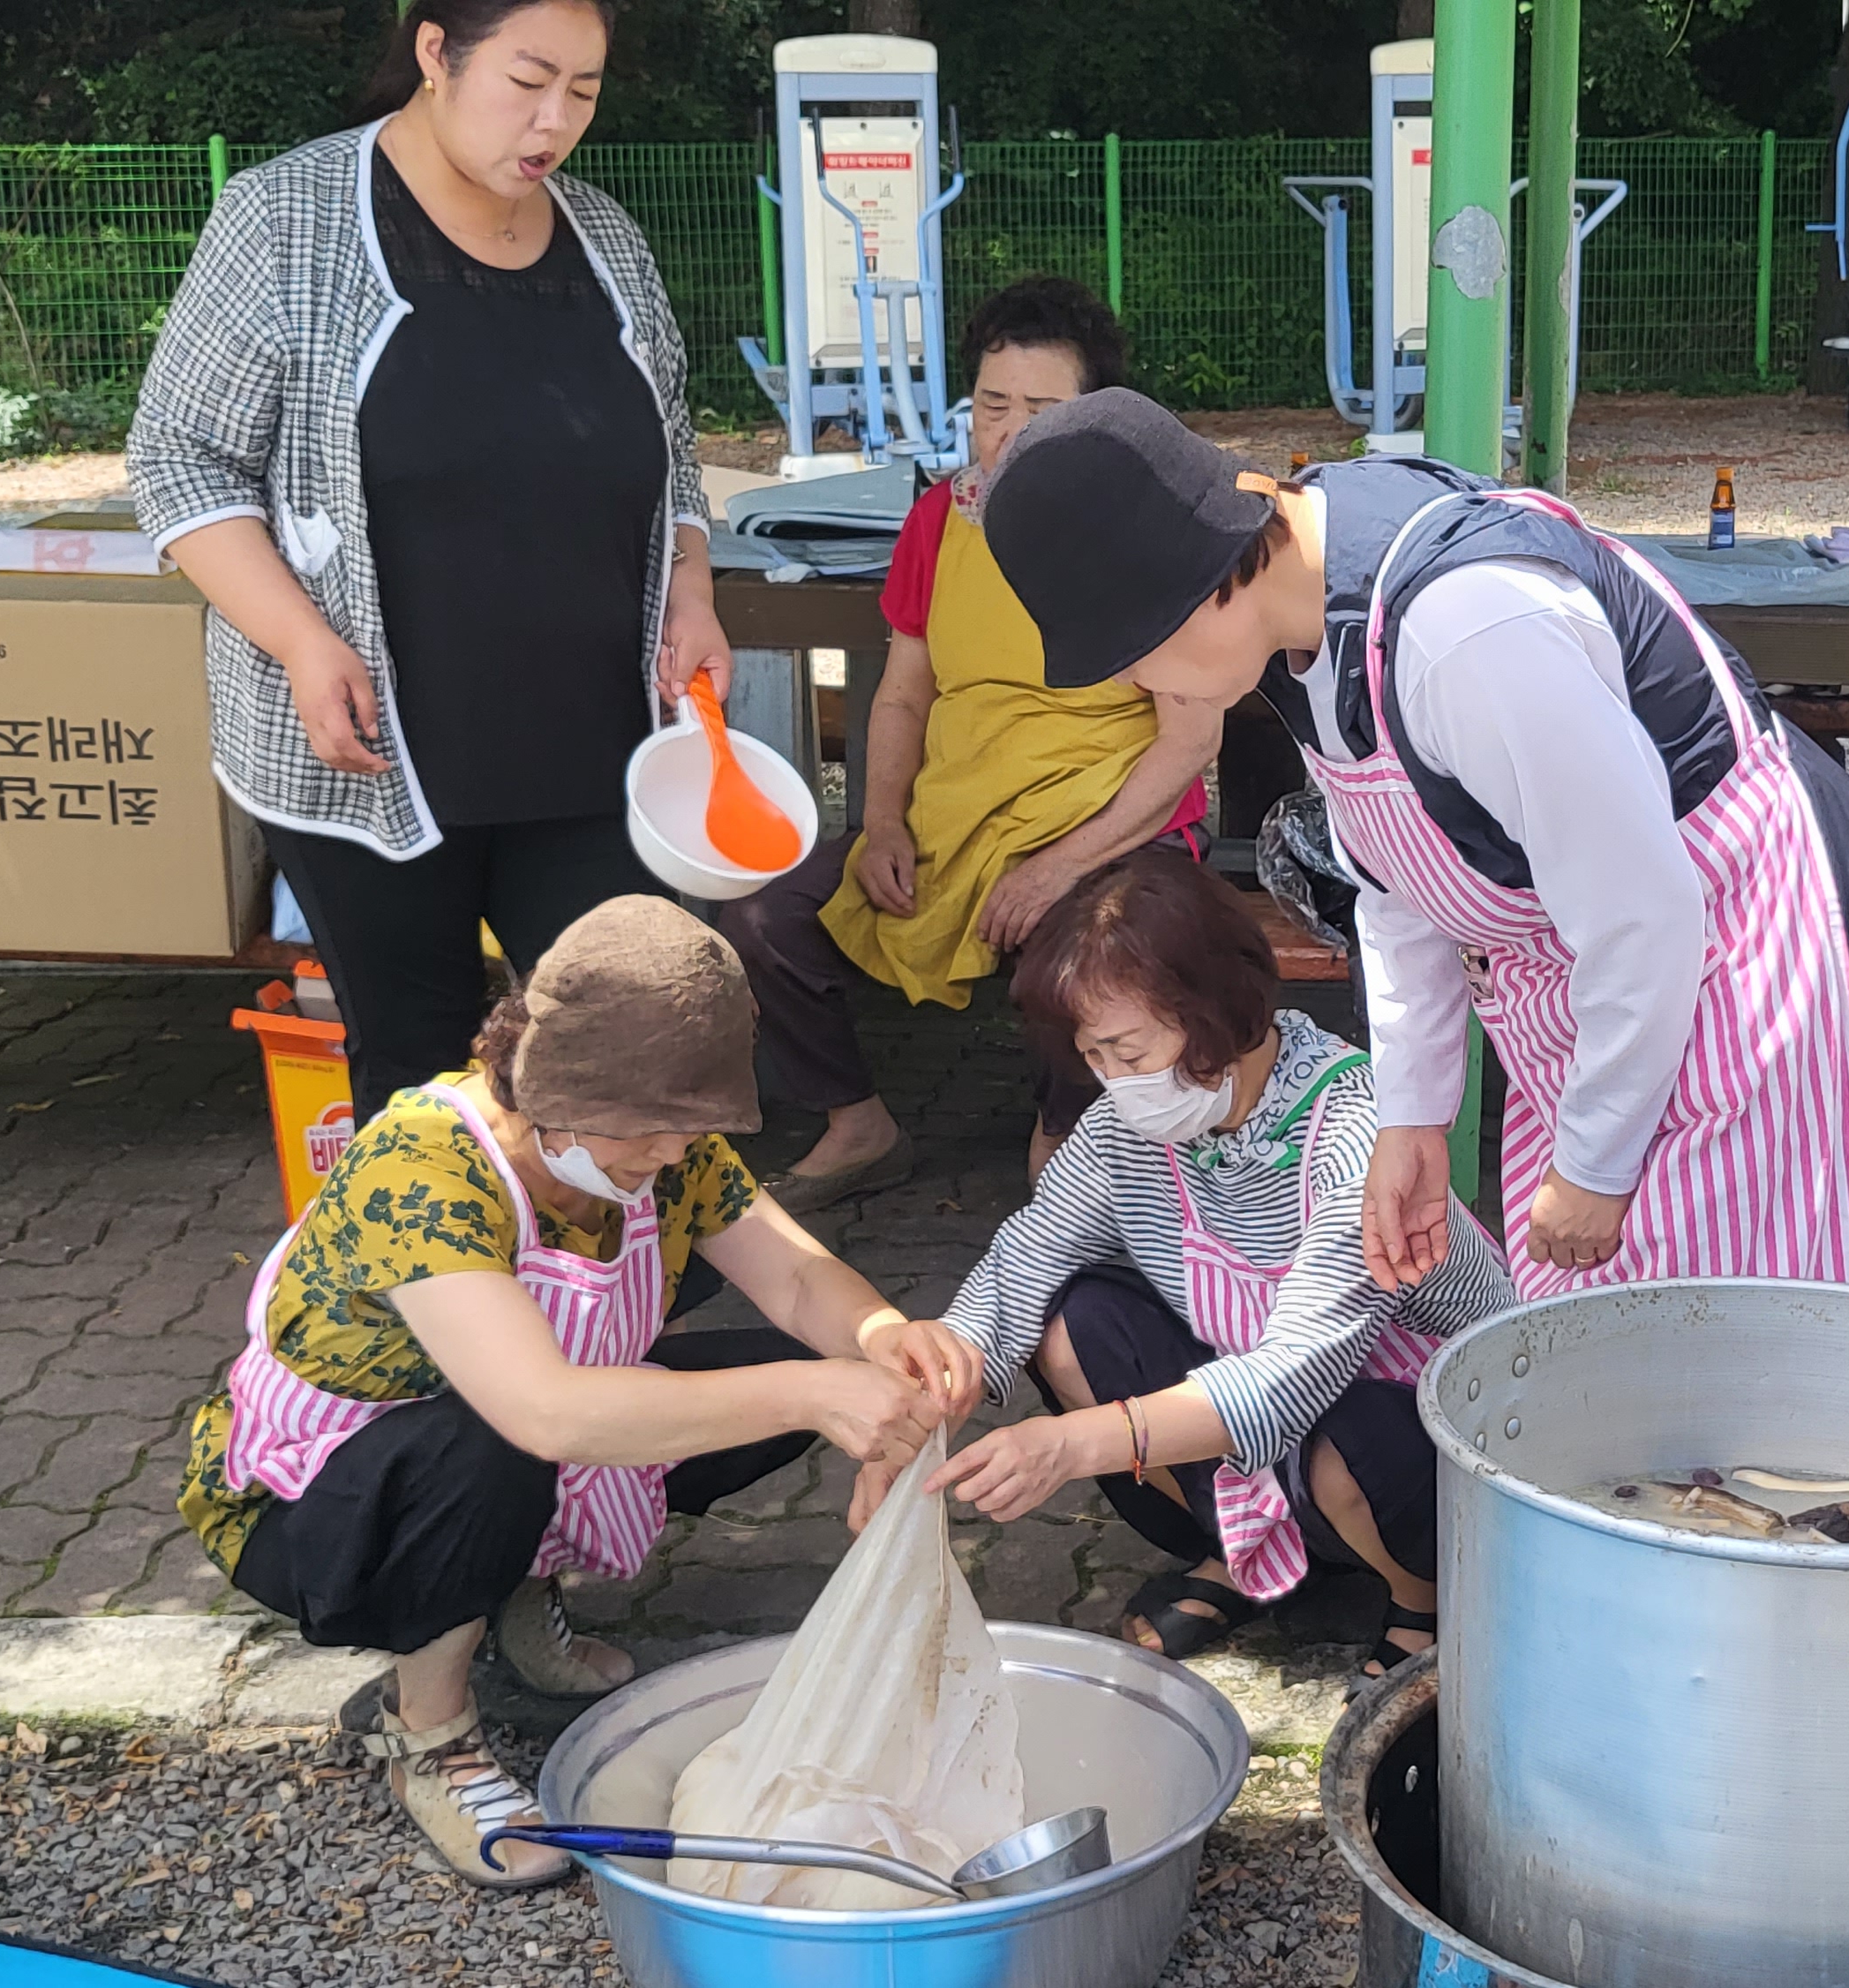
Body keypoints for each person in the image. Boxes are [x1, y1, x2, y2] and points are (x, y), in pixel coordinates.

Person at [982, 391, 1849, 1302]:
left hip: (1731, 958)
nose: (1146, 686)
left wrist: (1596, 1160)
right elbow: (1399, 883)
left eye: (1135, 654)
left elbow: (1644, 913)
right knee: (1589, 1331)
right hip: (1588, 980)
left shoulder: (1470, 631)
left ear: (1202, 585)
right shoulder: (1299, 612)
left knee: (1729, 1336)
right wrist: (1413, 1119)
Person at [176, 898, 973, 1891]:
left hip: (493, 1444)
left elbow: (799, 1278)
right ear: (551, 1087)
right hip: (314, 1508)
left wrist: (882, 1340)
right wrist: (814, 1393)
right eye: (649, 1132)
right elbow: (541, 1411)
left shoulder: (661, 1147)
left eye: (691, 1131)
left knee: (769, 1370)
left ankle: (508, 1591)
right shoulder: (419, 1164)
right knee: (497, 1446)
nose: (671, 1157)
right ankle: (426, 1732)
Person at [132, 0, 733, 1124]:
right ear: (433, 53)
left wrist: (690, 585)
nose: (554, 120)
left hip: (597, 733)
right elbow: (180, 461)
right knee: (420, 1066)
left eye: (586, 92)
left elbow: (673, 455)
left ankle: (609, 1297)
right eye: (528, 80)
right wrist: (303, 642)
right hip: (367, 750)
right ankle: (441, 1296)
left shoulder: (607, 241)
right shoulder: (283, 219)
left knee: (619, 1051)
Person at [919, 853, 1509, 1675]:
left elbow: (1291, 1375)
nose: (1113, 1083)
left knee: (1356, 1435)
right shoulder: (1130, 1128)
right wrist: (930, 1395)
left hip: (1414, 1437)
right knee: (1071, 1324)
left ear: (1215, 1011)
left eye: (1128, 1052)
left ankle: (1425, 1596)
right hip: (1268, 1430)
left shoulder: (1361, 1133)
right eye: (1094, 1057)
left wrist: (1069, 1445)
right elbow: (1026, 1255)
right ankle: (1246, 1549)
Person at [711, 278, 1220, 1209]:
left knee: (1087, 951)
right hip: (959, 817)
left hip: (1117, 824)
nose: (1010, 431)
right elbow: (905, 691)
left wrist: (1058, 864)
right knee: (768, 913)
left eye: (1042, 410)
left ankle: (1069, 1144)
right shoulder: (941, 518)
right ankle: (858, 1124)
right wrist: (883, 823)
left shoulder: (1145, 530)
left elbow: (1190, 740)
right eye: (993, 405)